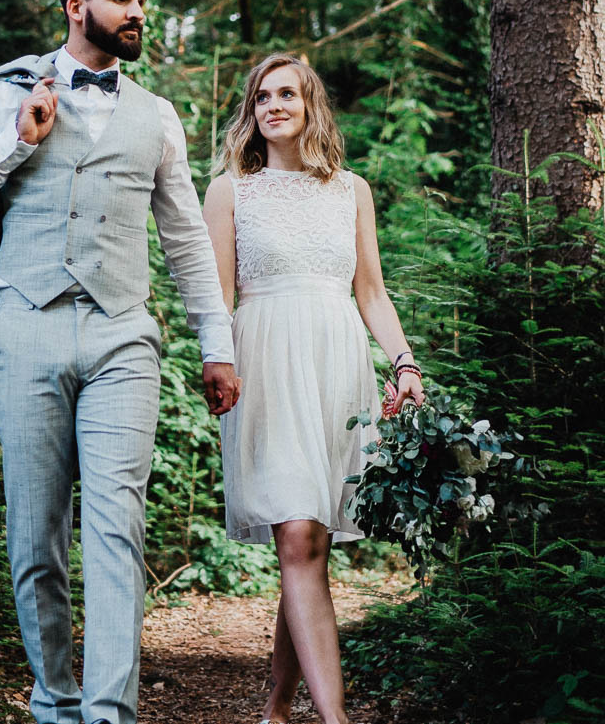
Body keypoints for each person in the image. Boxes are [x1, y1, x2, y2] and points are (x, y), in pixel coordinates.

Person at [0, 0, 239, 724]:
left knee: (117, 529)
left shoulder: (157, 117)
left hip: (125, 337)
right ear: (76, 6)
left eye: (143, 1)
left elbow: (187, 238)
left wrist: (216, 345)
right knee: (35, 540)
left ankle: (108, 713)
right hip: (26, 332)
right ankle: (54, 699)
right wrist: (17, 140)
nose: (137, 14)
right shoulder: (6, 93)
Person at [204, 52, 425, 724]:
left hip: (336, 365)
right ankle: (336, 718)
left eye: (288, 94)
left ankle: (276, 705)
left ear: (310, 106)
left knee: (311, 543)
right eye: (263, 95)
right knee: (297, 534)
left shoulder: (350, 190)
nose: (274, 104)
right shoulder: (230, 190)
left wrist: (405, 362)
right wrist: (217, 363)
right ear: (252, 110)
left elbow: (372, 292)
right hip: (265, 364)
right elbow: (217, 297)